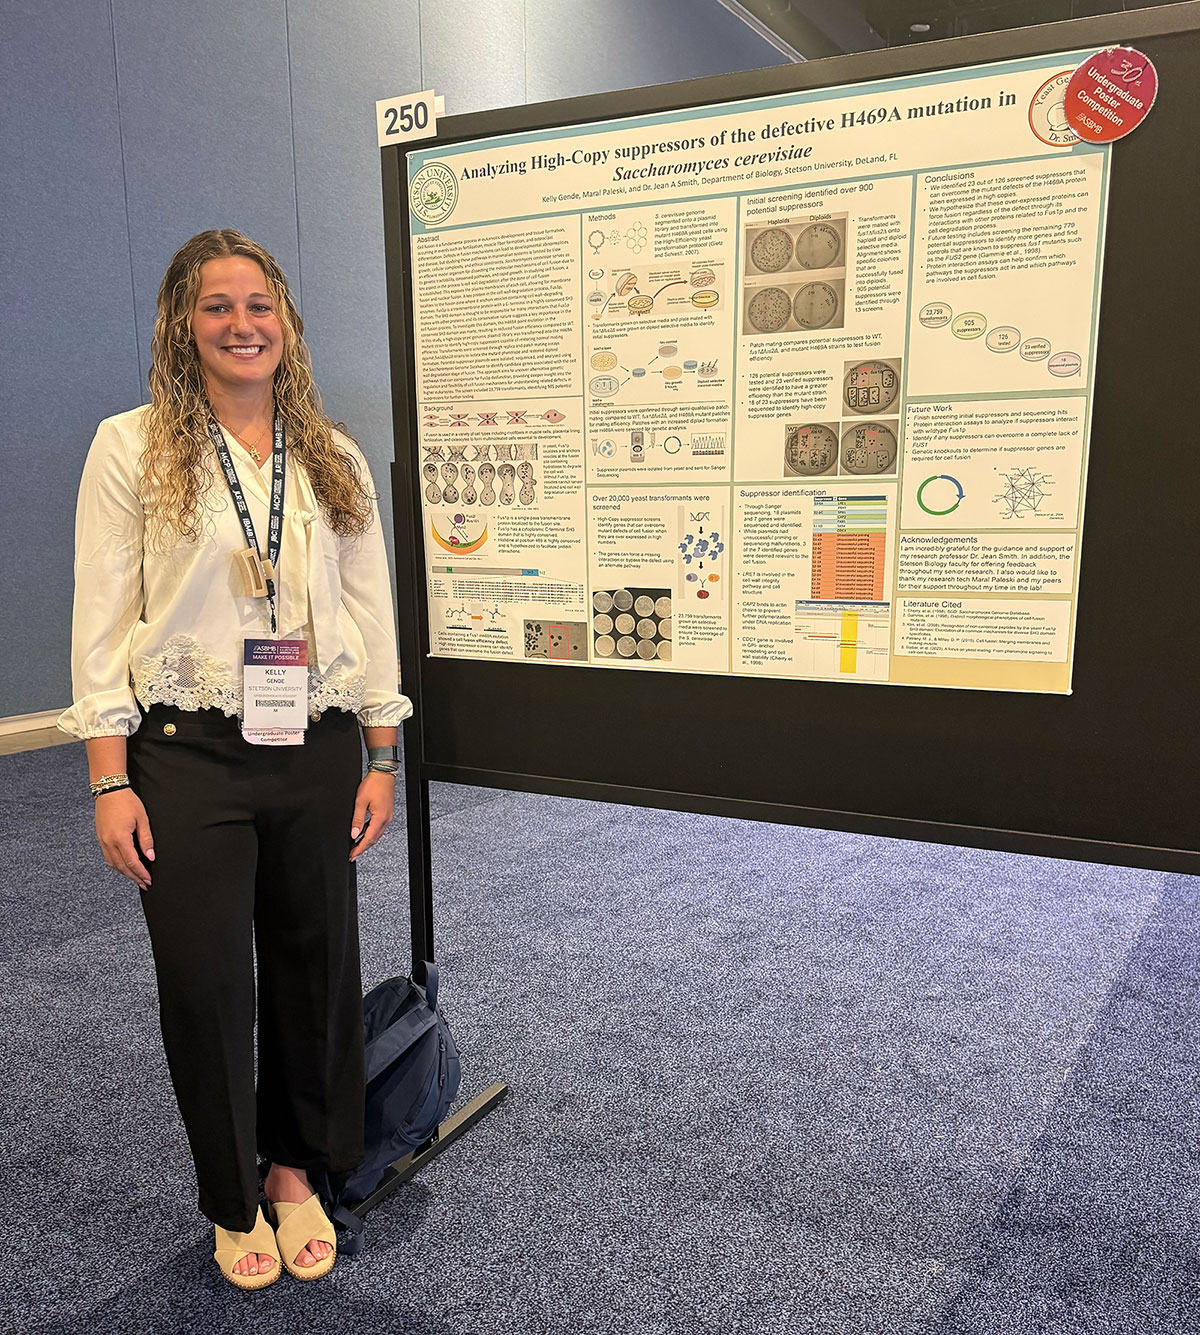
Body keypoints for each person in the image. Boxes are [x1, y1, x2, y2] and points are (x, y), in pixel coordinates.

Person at [58, 229, 412, 1289]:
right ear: (183, 325)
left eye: (260, 305)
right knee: (207, 979)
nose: (242, 324)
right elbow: (99, 621)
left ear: (288, 324)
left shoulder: (332, 457)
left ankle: (297, 1170)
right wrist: (108, 777)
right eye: (217, 307)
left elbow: (369, 608)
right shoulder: (130, 447)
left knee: (313, 967)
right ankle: (231, 1192)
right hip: (185, 756)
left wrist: (382, 752)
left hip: (316, 742)